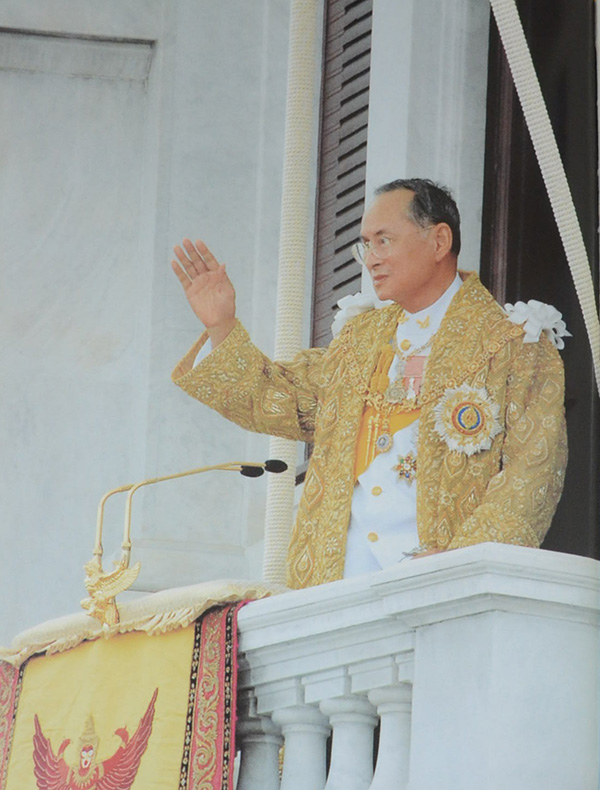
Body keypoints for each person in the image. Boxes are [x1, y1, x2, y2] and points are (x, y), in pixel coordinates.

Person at [171, 179, 568, 590]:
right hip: (337, 581)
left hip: (441, 584)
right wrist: (221, 326)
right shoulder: (359, 340)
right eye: (365, 245)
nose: (371, 259)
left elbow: (531, 475)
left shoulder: (514, 345)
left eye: (384, 241)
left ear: (439, 241)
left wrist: (462, 562)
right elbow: (278, 397)